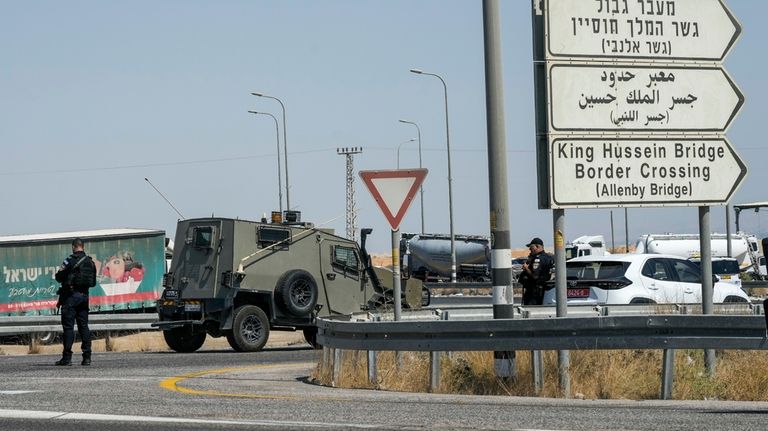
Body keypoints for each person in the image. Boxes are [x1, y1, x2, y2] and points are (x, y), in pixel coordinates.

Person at [54, 238, 97, 366]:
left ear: (73, 247)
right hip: (84, 297)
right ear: (82, 247)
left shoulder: (70, 260)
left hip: (71, 297)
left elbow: (58, 277)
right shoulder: (90, 262)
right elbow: (93, 283)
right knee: (84, 326)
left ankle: (67, 358)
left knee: (68, 327)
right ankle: (87, 357)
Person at [519, 237, 554, 305]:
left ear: (537, 246)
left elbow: (535, 276)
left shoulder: (538, 259)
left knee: (531, 310)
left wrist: (526, 268)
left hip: (534, 291)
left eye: (531, 247)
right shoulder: (546, 257)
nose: (530, 249)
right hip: (540, 290)